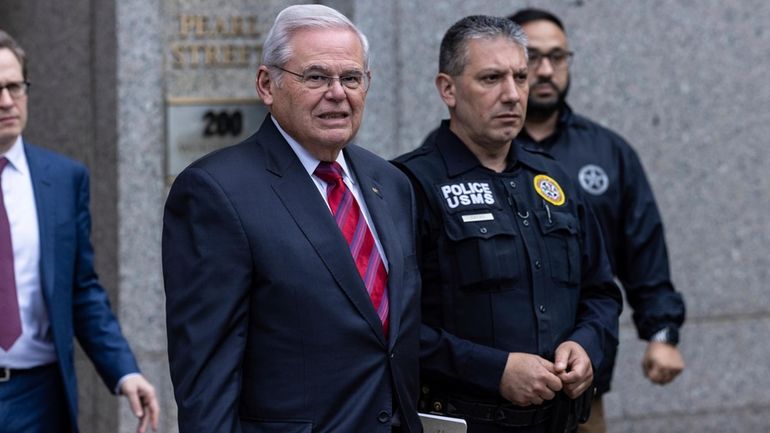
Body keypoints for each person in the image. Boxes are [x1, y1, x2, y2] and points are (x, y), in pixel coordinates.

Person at [162, 4, 421, 433]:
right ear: (267, 85)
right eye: (316, 77)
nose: (338, 93)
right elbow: (207, 376)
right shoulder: (215, 191)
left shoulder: (390, 183)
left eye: (351, 78)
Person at [393, 15, 622, 433]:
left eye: (520, 76)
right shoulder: (407, 186)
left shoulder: (555, 180)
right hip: (463, 421)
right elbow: (389, 325)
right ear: (448, 89)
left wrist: (586, 346)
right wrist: (494, 370)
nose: (513, 95)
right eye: (491, 79)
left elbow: (602, 292)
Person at [508, 9, 686, 433]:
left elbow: (643, 251)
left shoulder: (607, 152)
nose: (546, 70)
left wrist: (662, 336)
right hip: (493, 383)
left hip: (581, 386)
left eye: (558, 57)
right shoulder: (471, 152)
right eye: (532, 58)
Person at [0, 30, 159, 433]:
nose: (6, 102)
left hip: (38, 398)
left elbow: (81, 289)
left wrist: (125, 372)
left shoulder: (64, 179)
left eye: (14, 86)